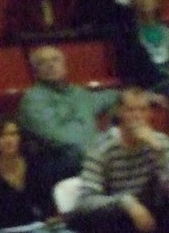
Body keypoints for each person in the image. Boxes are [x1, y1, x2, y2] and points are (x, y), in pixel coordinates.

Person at [72, 87, 169, 233]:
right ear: (119, 112)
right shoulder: (101, 148)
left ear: (150, 113)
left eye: (143, 110)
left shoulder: (160, 142)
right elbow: (86, 201)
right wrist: (126, 202)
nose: (137, 116)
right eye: (130, 110)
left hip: (152, 210)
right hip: (117, 214)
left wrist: (159, 153)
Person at [17, 45, 119, 182]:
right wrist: (98, 149)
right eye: (42, 62)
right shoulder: (33, 99)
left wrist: (140, 95)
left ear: (64, 66)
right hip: (57, 161)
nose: (50, 65)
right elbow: (56, 136)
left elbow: (108, 97)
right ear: (36, 72)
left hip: (90, 156)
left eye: (55, 60)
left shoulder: (78, 93)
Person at [0, 115, 60, 233]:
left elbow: (48, 206)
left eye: (13, 134)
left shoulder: (35, 166)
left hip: (40, 227)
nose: (9, 140)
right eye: (2, 136)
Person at [115, 0, 169, 96]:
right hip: (151, 88)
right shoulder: (127, 38)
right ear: (132, 2)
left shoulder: (166, 30)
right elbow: (130, 76)